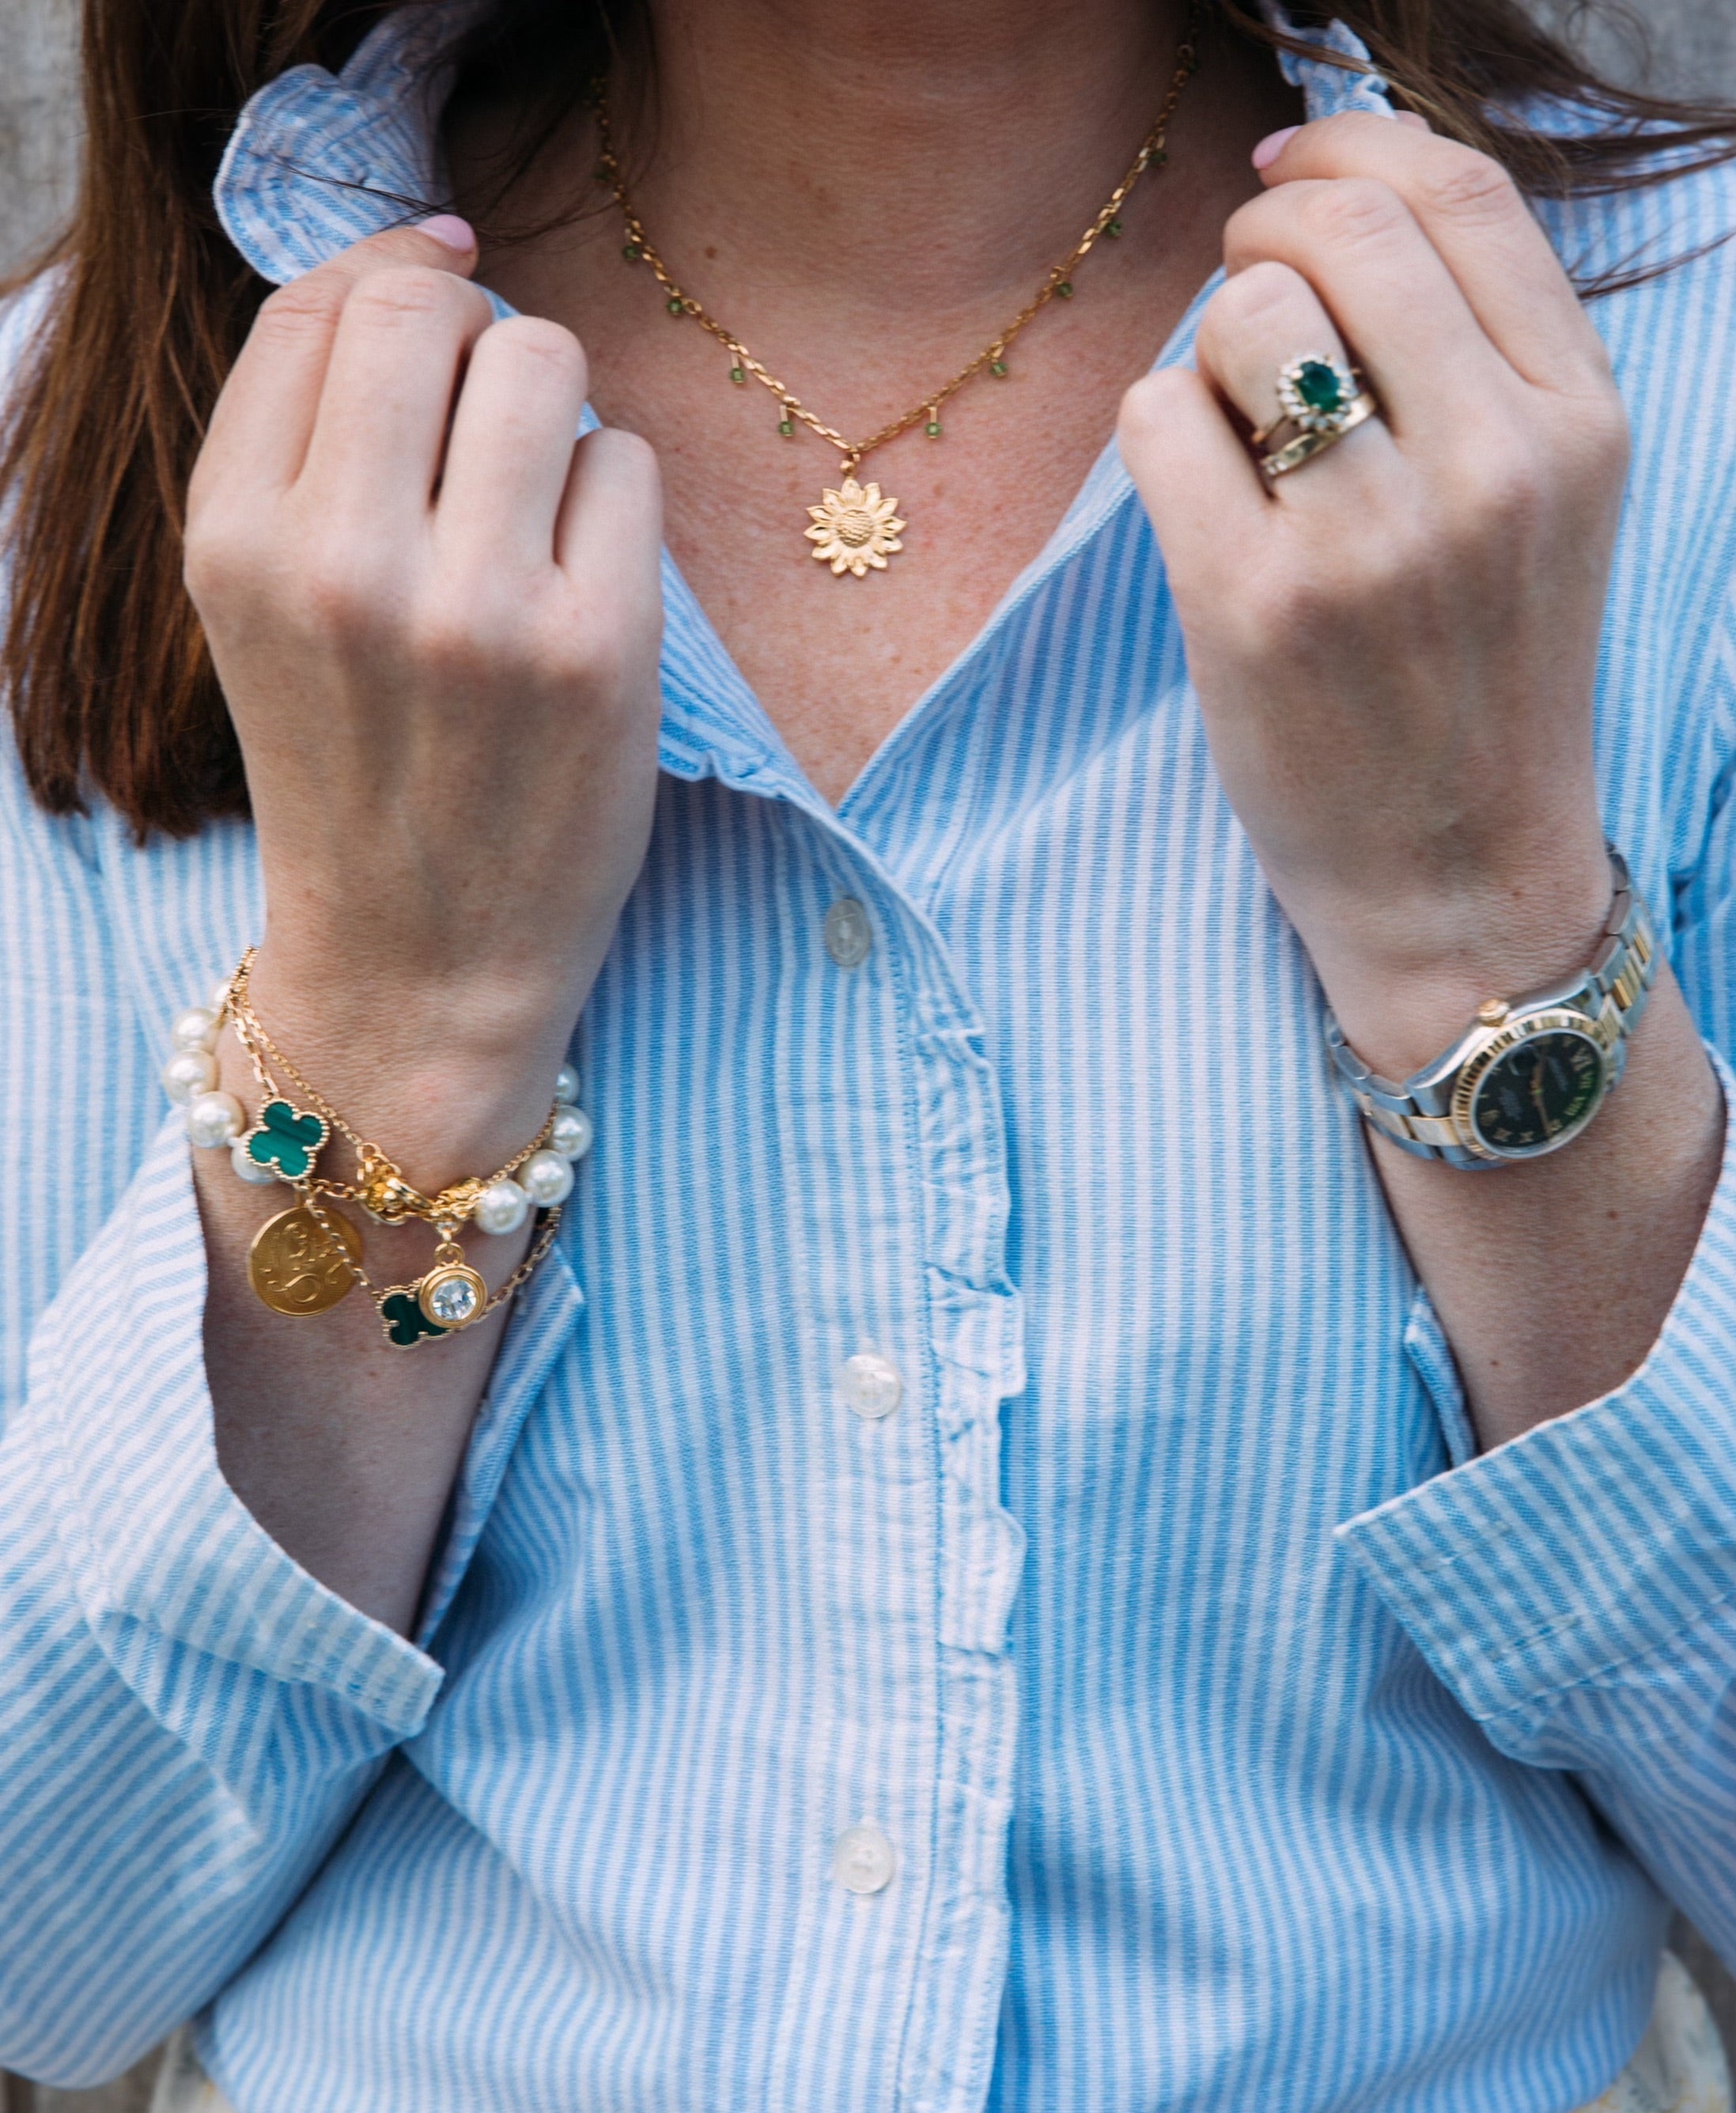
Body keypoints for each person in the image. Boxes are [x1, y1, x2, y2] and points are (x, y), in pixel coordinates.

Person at [2, 0, 1735, 2104]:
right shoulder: (84, 447)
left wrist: (1478, 932)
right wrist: (385, 1043)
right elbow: (44, 1943)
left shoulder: (1679, 365)